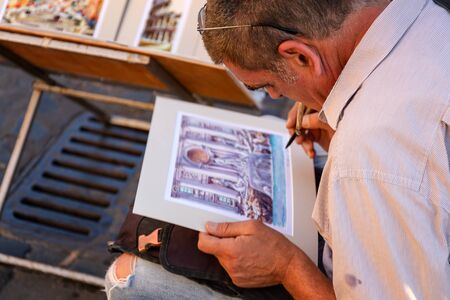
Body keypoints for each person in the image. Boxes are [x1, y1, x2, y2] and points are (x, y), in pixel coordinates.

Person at [105, 0, 449, 299]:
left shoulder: (365, 161)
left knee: (127, 275)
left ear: (300, 55)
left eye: (268, 85)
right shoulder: (424, 17)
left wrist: (287, 267)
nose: (275, 97)